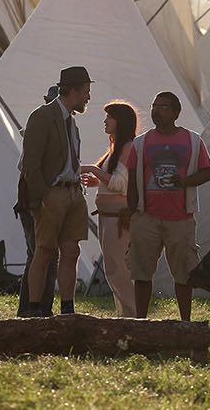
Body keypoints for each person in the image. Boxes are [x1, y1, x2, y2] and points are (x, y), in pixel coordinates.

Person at [122, 91, 210, 321]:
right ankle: (141, 321)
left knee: (184, 274)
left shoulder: (193, 141)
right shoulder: (141, 143)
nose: (156, 110)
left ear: (175, 113)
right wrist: (132, 213)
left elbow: (207, 172)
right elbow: (132, 179)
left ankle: (185, 322)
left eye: (163, 106)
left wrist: (185, 181)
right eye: (154, 105)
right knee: (141, 273)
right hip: (147, 217)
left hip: (181, 218)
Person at [20, 66, 93, 317]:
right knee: (45, 251)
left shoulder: (71, 121)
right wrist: (41, 196)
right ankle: (34, 308)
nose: (88, 97)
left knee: (71, 251)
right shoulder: (42, 117)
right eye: (86, 91)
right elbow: (30, 163)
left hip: (73, 192)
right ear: (73, 90)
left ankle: (67, 309)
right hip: (53, 193)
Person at [79, 102, 138, 317]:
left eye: (110, 117)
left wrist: (92, 169)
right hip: (108, 217)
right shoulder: (115, 148)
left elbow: (121, 184)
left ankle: (132, 316)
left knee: (119, 270)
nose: (105, 121)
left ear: (120, 121)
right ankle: (125, 314)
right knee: (113, 270)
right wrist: (98, 182)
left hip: (118, 219)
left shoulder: (128, 148)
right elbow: (113, 181)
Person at [14, 85, 60, 317]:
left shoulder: (60, 128)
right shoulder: (39, 127)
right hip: (34, 202)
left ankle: (39, 308)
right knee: (40, 255)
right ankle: (32, 309)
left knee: (43, 256)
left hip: (44, 201)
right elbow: (27, 167)